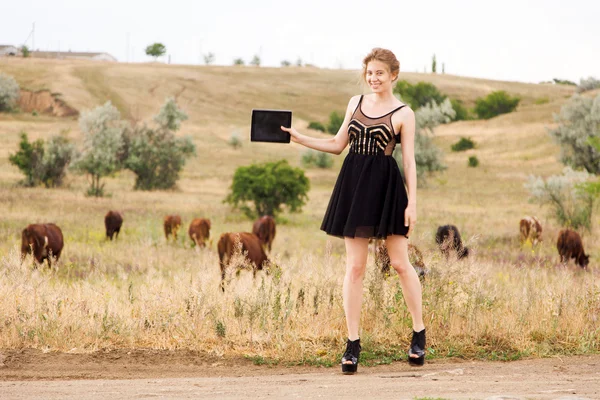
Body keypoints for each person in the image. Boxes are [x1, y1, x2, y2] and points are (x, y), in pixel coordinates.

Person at [281, 48, 425, 374]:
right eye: (369, 73)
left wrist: (412, 203)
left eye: (380, 73)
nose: (373, 78)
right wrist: (299, 138)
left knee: (401, 264)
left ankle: (418, 333)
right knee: (355, 268)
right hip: (354, 187)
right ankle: (352, 344)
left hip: (388, 190)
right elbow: (337, 144)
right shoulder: (355, 103)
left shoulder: (404, 113)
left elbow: (409, 162)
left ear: (393, 75)